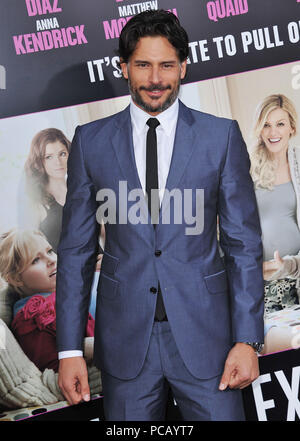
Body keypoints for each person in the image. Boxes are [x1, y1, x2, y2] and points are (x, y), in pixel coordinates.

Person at [56, 10, 264, 421]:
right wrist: (69, 349)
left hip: (209, 341)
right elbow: (76, 250)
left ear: (183, 67)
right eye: (143, 65)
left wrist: (247, 339)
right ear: (124, 68)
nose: (155, 78)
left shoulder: (219, 137)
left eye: (167, 65)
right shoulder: (90, 142)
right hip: (126, 344)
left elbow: (243, 245)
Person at [0, 229, 95, 373]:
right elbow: (53, 362)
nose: (52, 260)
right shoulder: (32, 317)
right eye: (36, 260)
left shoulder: (64, 289)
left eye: (50, 251)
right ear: (16, 279)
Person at [250, 94, 300, 354]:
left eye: (280, 124)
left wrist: (289, 265)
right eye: (267, 125)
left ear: (292, 126)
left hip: (297, 279)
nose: (273, 132)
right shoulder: (245, 171)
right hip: (262, 286)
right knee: (275, 351)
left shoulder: (299, 167)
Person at [22, 128, 71, 252]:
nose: (58, 162)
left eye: (62, 154)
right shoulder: (35, 203)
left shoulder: (83, 191)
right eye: (49, 157)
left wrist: (107, 259)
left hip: (99, 268)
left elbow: (106, 235)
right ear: (39, 162)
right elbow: (30, 254)